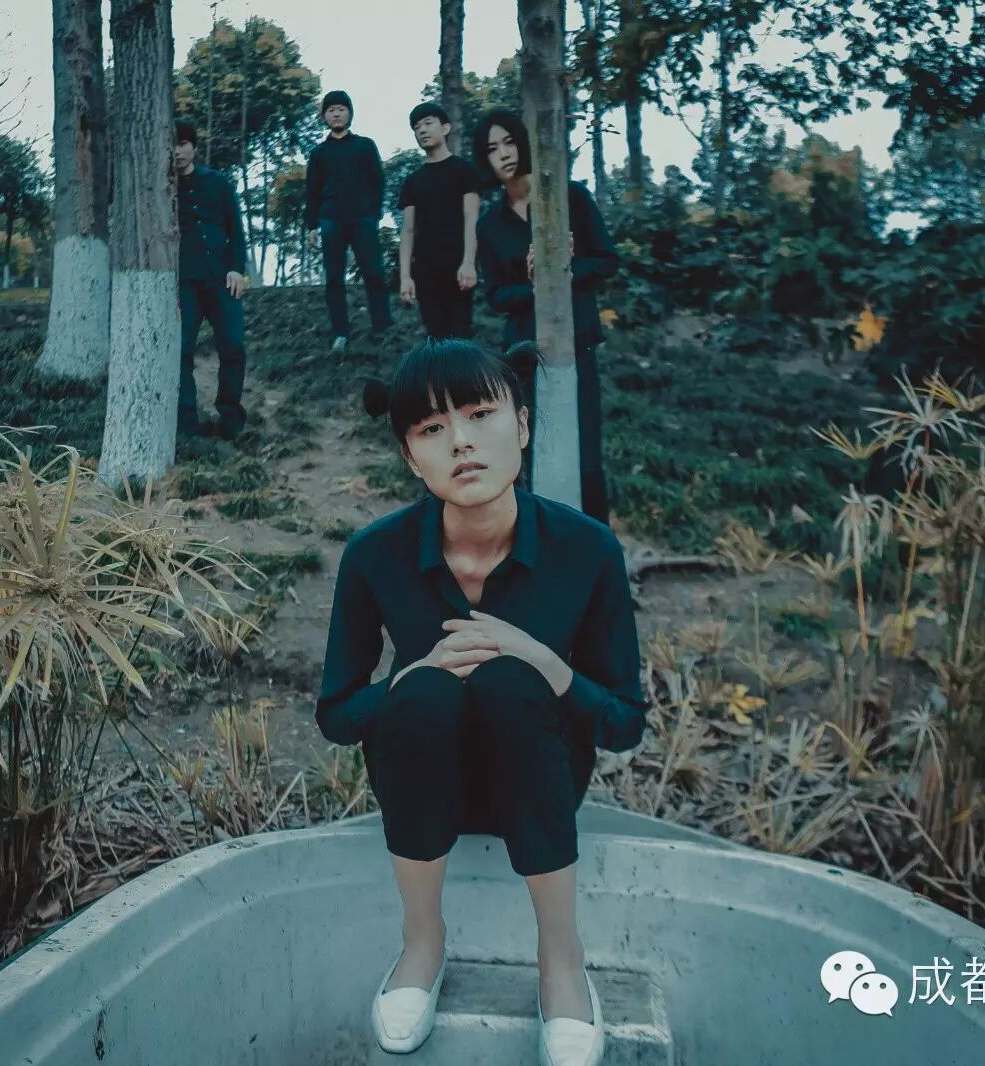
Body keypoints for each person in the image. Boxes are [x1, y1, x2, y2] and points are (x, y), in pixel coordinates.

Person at [316, 338, 645, 1066]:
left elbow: (624, 723)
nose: (461, 442)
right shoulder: (374, 555)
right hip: (422, 793)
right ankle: (422, 942)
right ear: (411, 458)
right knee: (425, 689)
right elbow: (337, 715)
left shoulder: (587, 550)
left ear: (521, 425)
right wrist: (410, 677)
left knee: (508, 678)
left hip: (542, 788)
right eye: (432, 428)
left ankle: (561, 957)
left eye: (479, 414)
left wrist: (546, 663)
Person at [472, 109, 620, 525]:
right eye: (492, 149)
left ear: (524, 142)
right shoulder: (489, 225)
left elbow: (607, 261)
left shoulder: (571, 198)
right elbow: (496, 296)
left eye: (509, 142)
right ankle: (539, 546)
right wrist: (535, 286)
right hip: (524, 352)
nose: (504, 154)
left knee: (585, 453)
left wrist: (564, 273)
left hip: (577, 342)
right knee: (530, 451)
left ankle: (598, 550)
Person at [173, 120, 248, 440]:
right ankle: (186, 424)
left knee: (233, 345)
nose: (177, 151)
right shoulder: (160, 190)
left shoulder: (218, 183)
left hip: (222, 278)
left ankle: (230, 417)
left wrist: (237, 269)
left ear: (193, 147)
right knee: (180, 351)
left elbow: (236, 231)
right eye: (172, 145)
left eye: (183, 144)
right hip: (183, 283)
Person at [304, 90, 392, 352]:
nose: (336, 114)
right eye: (331, 110)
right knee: (334, 278)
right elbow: (312, 191)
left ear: (350, 113)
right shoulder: (318, 153)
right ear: (325, 116)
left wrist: (373, 214)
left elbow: (378, 181)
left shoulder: (365, 146)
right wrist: (312, 225)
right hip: (331, 220)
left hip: (362, 219)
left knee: (373, 272)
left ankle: (382, 326)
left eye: (341, 109)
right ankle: (340, 332)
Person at [397, 102, 480, 339]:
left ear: (445, 128)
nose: (422, 130)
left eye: (428, 123)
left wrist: (469, 262)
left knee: (461, 338)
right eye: (416, 127)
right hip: (426, 272)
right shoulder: (413, 181)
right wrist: (405, 277)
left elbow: (471, 219)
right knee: (436, 339)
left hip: (458, 268)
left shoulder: (464, 170)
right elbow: (408, 231)